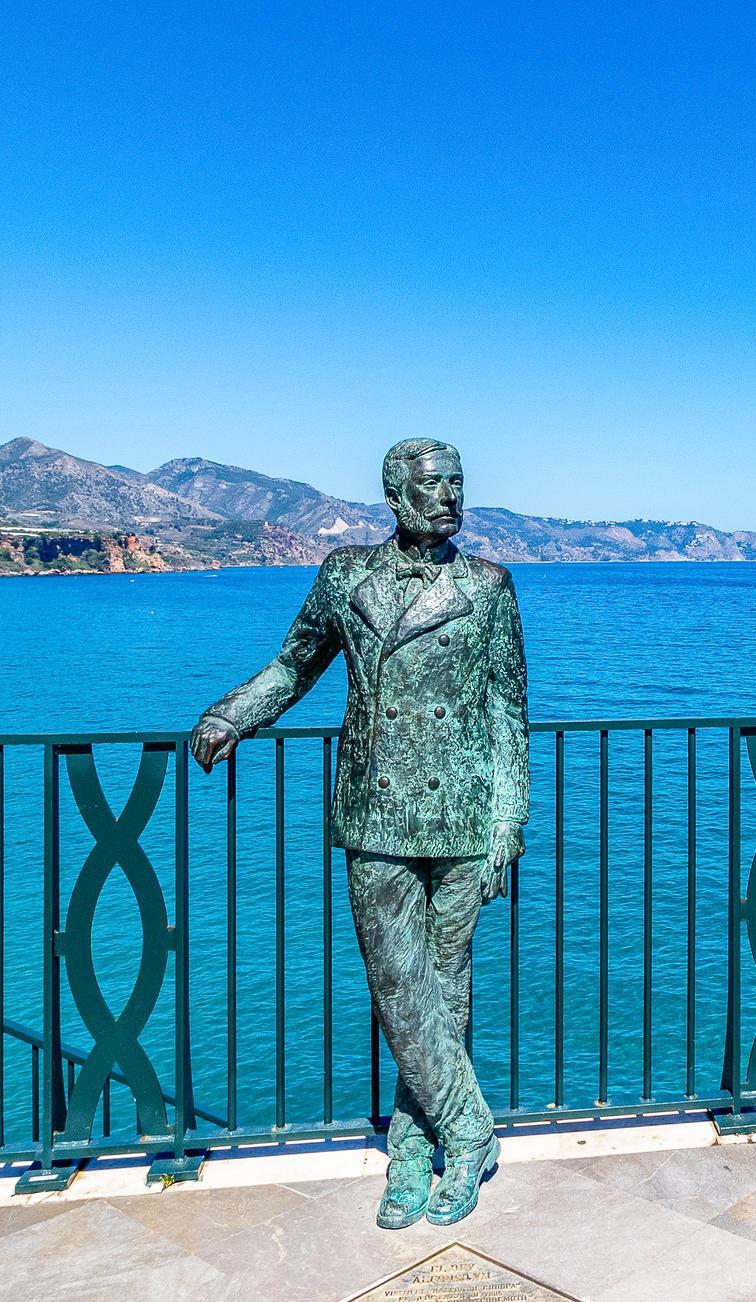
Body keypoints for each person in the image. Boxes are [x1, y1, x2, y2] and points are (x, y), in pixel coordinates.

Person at [189, 437, 529, 1228]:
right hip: (376, 812)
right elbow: (293, 666)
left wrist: (509, 820)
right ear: (395, 496)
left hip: (464, 814)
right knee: (398, 986)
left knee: (445, 988)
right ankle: (470, 1131)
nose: (450, 497)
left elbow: (509, 709)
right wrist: (231, 714)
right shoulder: (345, 576)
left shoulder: (488, 586)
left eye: (457, 483)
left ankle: (413, 1150)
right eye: (434, 485)